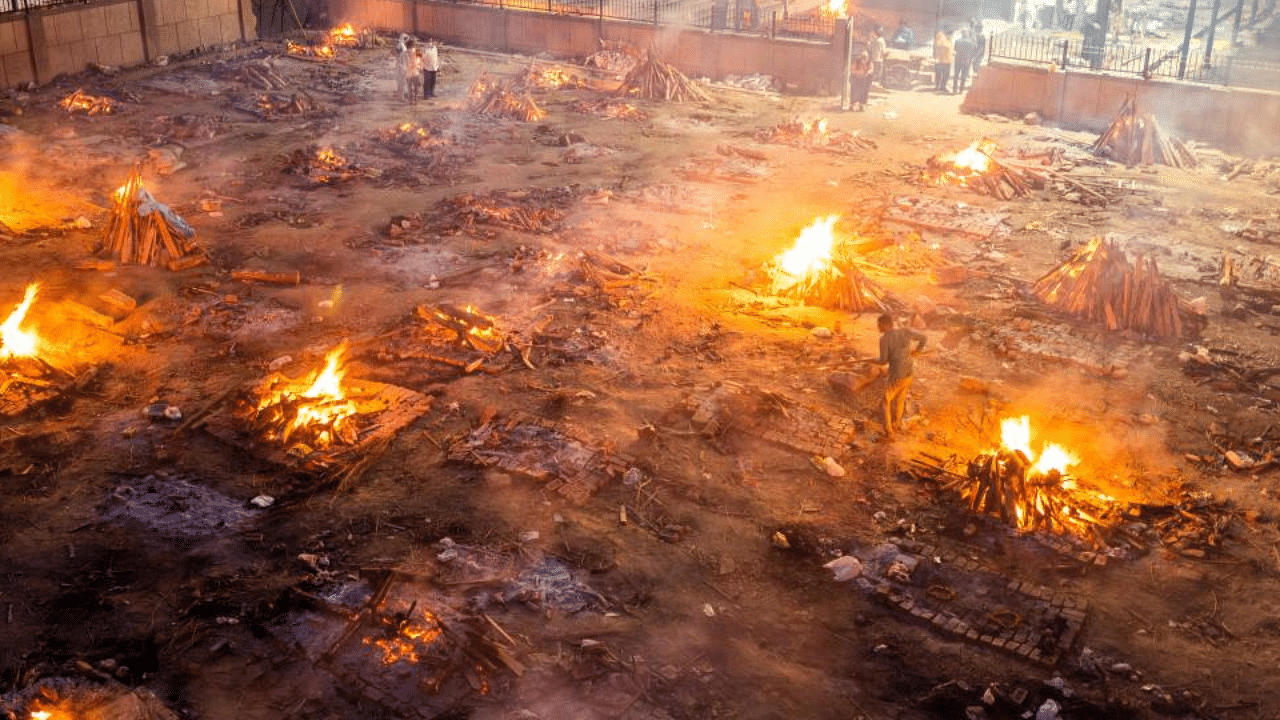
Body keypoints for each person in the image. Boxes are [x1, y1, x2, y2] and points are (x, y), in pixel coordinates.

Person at [872, 313, 926, 438]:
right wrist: (917, 351)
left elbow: (883, 361)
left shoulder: (884, 339)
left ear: (885, 325)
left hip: (897, 374)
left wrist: (874, 360)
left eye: (879, 324)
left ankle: (889, 431)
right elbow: (924, 338)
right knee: (900, 399)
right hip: (909, 373)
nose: (877, 327)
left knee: (885, 401)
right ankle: (897, 424)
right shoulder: (905, 331)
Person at [952, 27, 976, 93]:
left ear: (961, 33)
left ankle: (954, 90)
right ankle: (961, 90)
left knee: (956, 76)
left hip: (958, 60)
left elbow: (955, 49)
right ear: (967, 33)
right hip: (966, 61)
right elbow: (973, 51)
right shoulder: (971, 42)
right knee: (963, 76)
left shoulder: (957, 41)